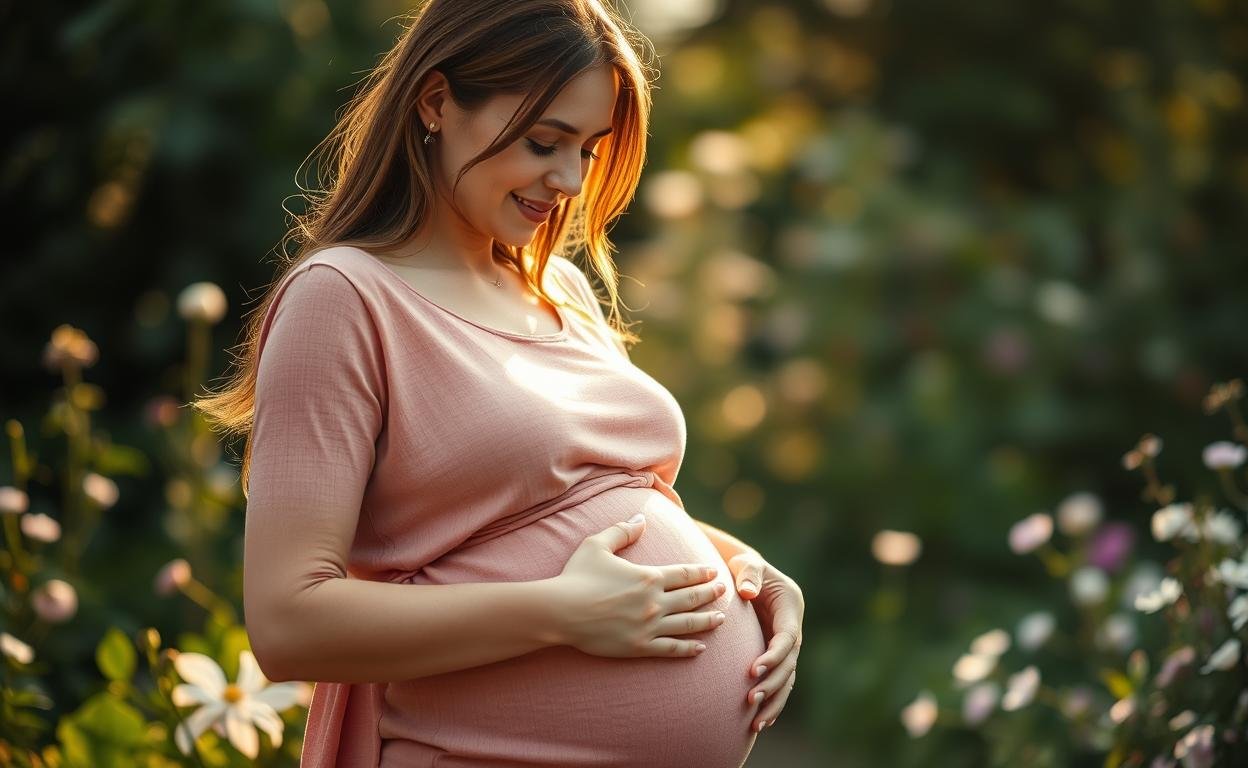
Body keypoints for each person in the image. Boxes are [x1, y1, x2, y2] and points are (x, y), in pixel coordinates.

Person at [194, 1, 804, 766]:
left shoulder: (561, 292)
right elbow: (289, 624)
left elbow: (565, 502)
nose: (571, 179)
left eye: (589, 148)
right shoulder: (344, 299)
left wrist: (747, 569)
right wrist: (557, 614)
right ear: (437, 103)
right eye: (546, 142)